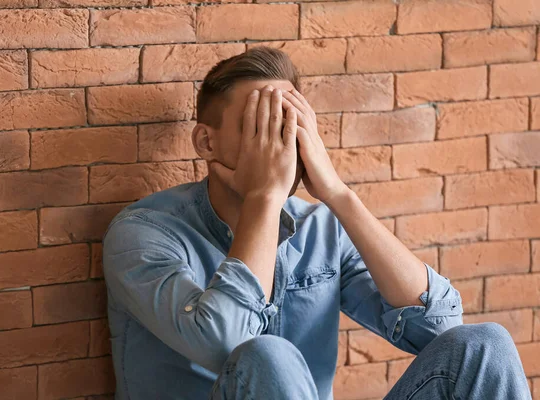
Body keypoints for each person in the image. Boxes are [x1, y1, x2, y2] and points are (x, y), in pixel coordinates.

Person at [101, 46, 531, 400]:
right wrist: (264, 196)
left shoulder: (319, 227)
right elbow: (225, 342)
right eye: (261, 126)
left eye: (289, 124)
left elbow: (439, 327)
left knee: (485, 346)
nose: (281, 143)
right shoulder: (142, 234)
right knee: (270, 355)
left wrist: (339, 194)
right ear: (206, 142)